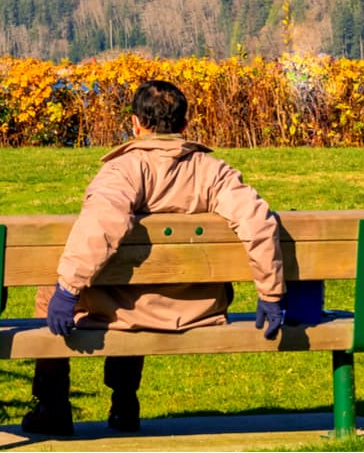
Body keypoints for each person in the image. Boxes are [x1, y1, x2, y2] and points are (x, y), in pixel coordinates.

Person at [21, 79, 286, 437]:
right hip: (198, 309)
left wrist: (67, 290)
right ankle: (125, 400)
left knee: (55, 291)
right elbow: (257, 220)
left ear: (135, 124)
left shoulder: (124, 170)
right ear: (183, 125)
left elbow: (101, 223)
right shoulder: (212, 172)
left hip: (126, 310)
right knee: (130, 285)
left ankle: (52, 406)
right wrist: (270, 294)